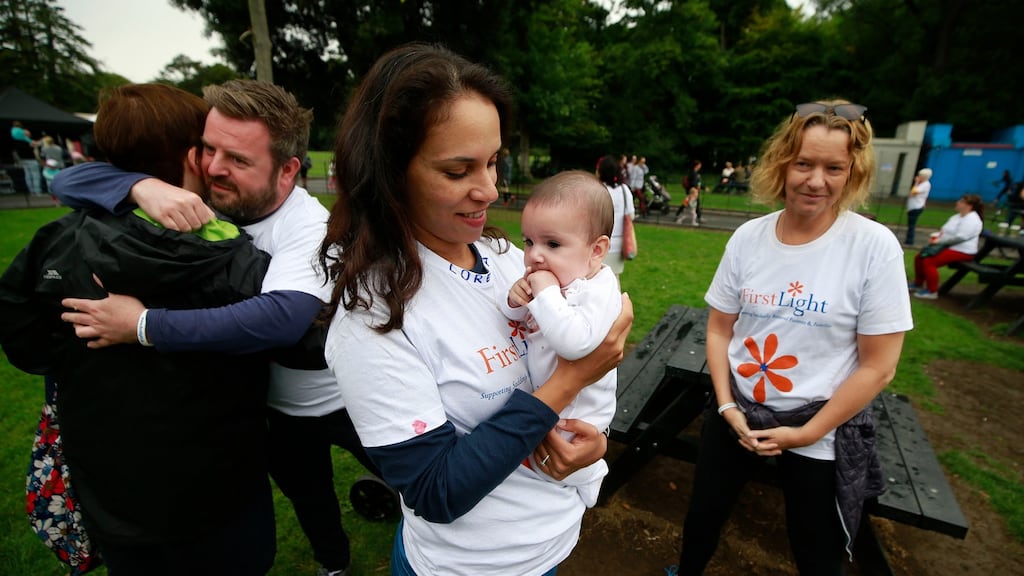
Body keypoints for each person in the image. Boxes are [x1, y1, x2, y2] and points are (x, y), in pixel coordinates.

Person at [318, 42, 633, 576]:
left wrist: (594, 442)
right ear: (391, 172)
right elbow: (435, 491)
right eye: (458, 169)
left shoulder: (509, 258)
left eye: (491, 161)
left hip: (550, 546)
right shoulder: (373, 319)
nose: (489, 189)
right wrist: (570, 381)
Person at [50, 79, 376, 576]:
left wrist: (143, 325)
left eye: (239, 160)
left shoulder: (309, 226)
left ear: (288, 171)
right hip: (273, 410)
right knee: (308, 494)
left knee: (405, 473)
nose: (214, 168)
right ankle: (335, 565)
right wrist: (141, 185)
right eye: (208, 149)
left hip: (341, 398)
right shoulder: (200, 194)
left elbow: (280, 319)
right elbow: (65, 183)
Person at [0, 83, 275, 575]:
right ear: (193, 157)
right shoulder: (236, 256)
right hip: (220, 487)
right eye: (208, 149)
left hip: (114, 488)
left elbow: (26, 344)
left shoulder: (56, 243)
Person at [675, 100, 913, 575]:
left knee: (815, 547)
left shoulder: (873, 247)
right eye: (803, 163)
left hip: (818, 429)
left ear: (853, 172)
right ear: (782, 163)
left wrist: (806, 432)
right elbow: (721, 327)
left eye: (833, 168)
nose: (815, 180)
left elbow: (878, 366)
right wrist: (725, 406)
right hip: (736, 412)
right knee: (702, 517)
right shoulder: (748, 238)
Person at [497, 170, 621, 507]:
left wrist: (546, 293)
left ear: (596, 250)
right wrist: (516, 300)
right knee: (541, 459)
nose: (535, 255)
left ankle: (591, 476)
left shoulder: (599, 290)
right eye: (529, 241)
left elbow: (575, 343)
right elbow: (521, 321)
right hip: (551, 397)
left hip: (582, 411)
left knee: (563, 455)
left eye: (552, 244)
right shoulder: (555, 279)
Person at [909, 194, 985, 299]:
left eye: (961, 202)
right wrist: (936, 237)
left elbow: (960, 237)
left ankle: (932, 291)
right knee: (919, 257)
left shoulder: (972, 219)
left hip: (963, 251)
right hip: (947, 246)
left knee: (929, 261)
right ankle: (918, 284)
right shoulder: (956, 217)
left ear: (969, 206)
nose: (957, 203)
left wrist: (939, 241)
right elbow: (945, 231)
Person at [597, 154, 635, 278]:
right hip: (619, 243)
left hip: (598, 243)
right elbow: (631, 215)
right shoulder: (624, 190)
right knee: (614, 279)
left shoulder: (597, 190)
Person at [10, 120, 43, 195]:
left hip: (23, 160)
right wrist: (42, 140)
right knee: (35, 175)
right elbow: (36, 144)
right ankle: (37, 191)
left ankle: (31, 191)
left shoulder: (16, 141)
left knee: (27, 175)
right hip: (31, 160)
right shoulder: (28, 141)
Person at [903, 167, 932, 245]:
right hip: (914, 206)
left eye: (920, 176)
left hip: (916, 206)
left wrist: (916, 182)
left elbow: (913, 192)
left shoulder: (925, 185)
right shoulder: (922, 184)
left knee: (911, 225)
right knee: (910, 224)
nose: (918, 177)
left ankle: (909, 241)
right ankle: (908, 239)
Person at [674, 159, 703, 224]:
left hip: (693, 190)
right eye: (699, 165)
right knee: (689, 204)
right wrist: (695, 188)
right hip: (693, 191)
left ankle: (679, 215)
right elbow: (693, 183)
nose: (700, 166)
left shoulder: (694, 173)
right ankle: (679, 215)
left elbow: (697, 182)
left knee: (690, 204)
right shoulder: (693, 173)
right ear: (696, 166)